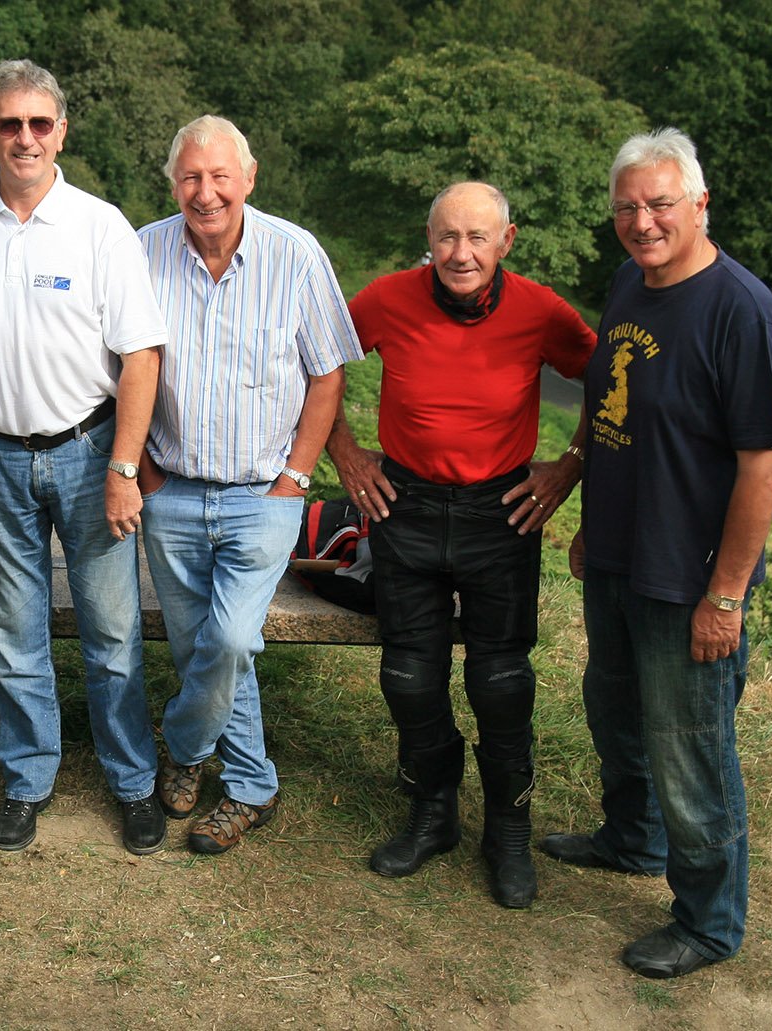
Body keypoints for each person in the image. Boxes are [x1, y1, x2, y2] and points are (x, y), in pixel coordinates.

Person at [542, 127, 772, 978]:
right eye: (627, 208)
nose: (642, 221)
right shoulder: (629, 283)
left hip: (689, 575)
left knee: (690, 750)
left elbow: (764, 467)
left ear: (700, 203)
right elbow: (610, 399)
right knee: (614, 711)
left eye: (660, 204)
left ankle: (710, 922)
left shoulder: (740, 310)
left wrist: (725, 595)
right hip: (618, 551)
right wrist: (585, 498)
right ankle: (633, 838)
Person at [0, 59, 168, 855]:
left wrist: (124, 468)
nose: (24, 138)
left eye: (39, 123)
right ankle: (27, 777)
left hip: (89, 453)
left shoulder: (100, 226)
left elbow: (141, 356)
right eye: (9, 123)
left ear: (61, 131)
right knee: (13, 629)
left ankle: (133, 781)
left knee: (113, 631)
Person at [327, 181, 595, 907]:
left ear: (507, 241)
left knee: (500, 684)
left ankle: (508, 830)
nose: (461, 252)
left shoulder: (541, 310)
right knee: (407, 676)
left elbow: (611, 379)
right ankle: (432, 812)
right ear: (429, 238)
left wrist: (568, 466)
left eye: (478, 237)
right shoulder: (388, 297)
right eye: (447, 236)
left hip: (499, 514)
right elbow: (316, 361)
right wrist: (346, 453)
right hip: (405, 506)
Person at [137, 116, 362, 853]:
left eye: (219, 177)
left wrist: (297, 475)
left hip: (264, 494)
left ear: (250, 177)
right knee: (202, 648)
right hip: (170, 490)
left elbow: (328, 373)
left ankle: (185, 746)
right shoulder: (141, 251)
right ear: (174, 184)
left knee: (230, 639)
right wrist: (144, 472)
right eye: (190, 178)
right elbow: (121, 369)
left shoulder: (295, 255)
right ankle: (251, 785)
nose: (205, 193)